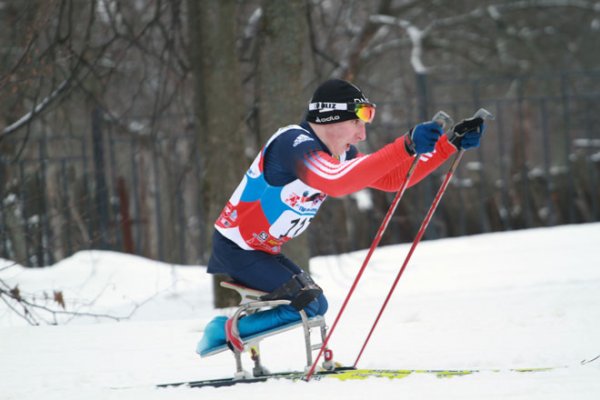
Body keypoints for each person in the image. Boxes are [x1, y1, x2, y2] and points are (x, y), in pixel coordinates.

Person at [197, 79, 486, 354]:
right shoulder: (293, 143)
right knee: (309, 303)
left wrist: (449, 145)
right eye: (356, 123)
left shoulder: (338, 153)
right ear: (330, 120)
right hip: (238, 249)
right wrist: (407, 145)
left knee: (314, 304)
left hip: (262, 249)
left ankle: (227, 331)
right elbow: (336, 182)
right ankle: (223, 332)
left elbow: (394, 178)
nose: (361, 134)